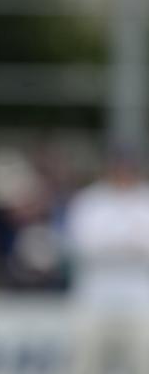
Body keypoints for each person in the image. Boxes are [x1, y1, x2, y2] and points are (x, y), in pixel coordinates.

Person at [64, 146, 149, 374]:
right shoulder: (90, 200)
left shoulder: (144, 200)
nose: (123, 172)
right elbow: (82, 244)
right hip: (94, 300)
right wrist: (129, 243)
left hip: (140, 301)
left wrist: (112, 243)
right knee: (85, 364)